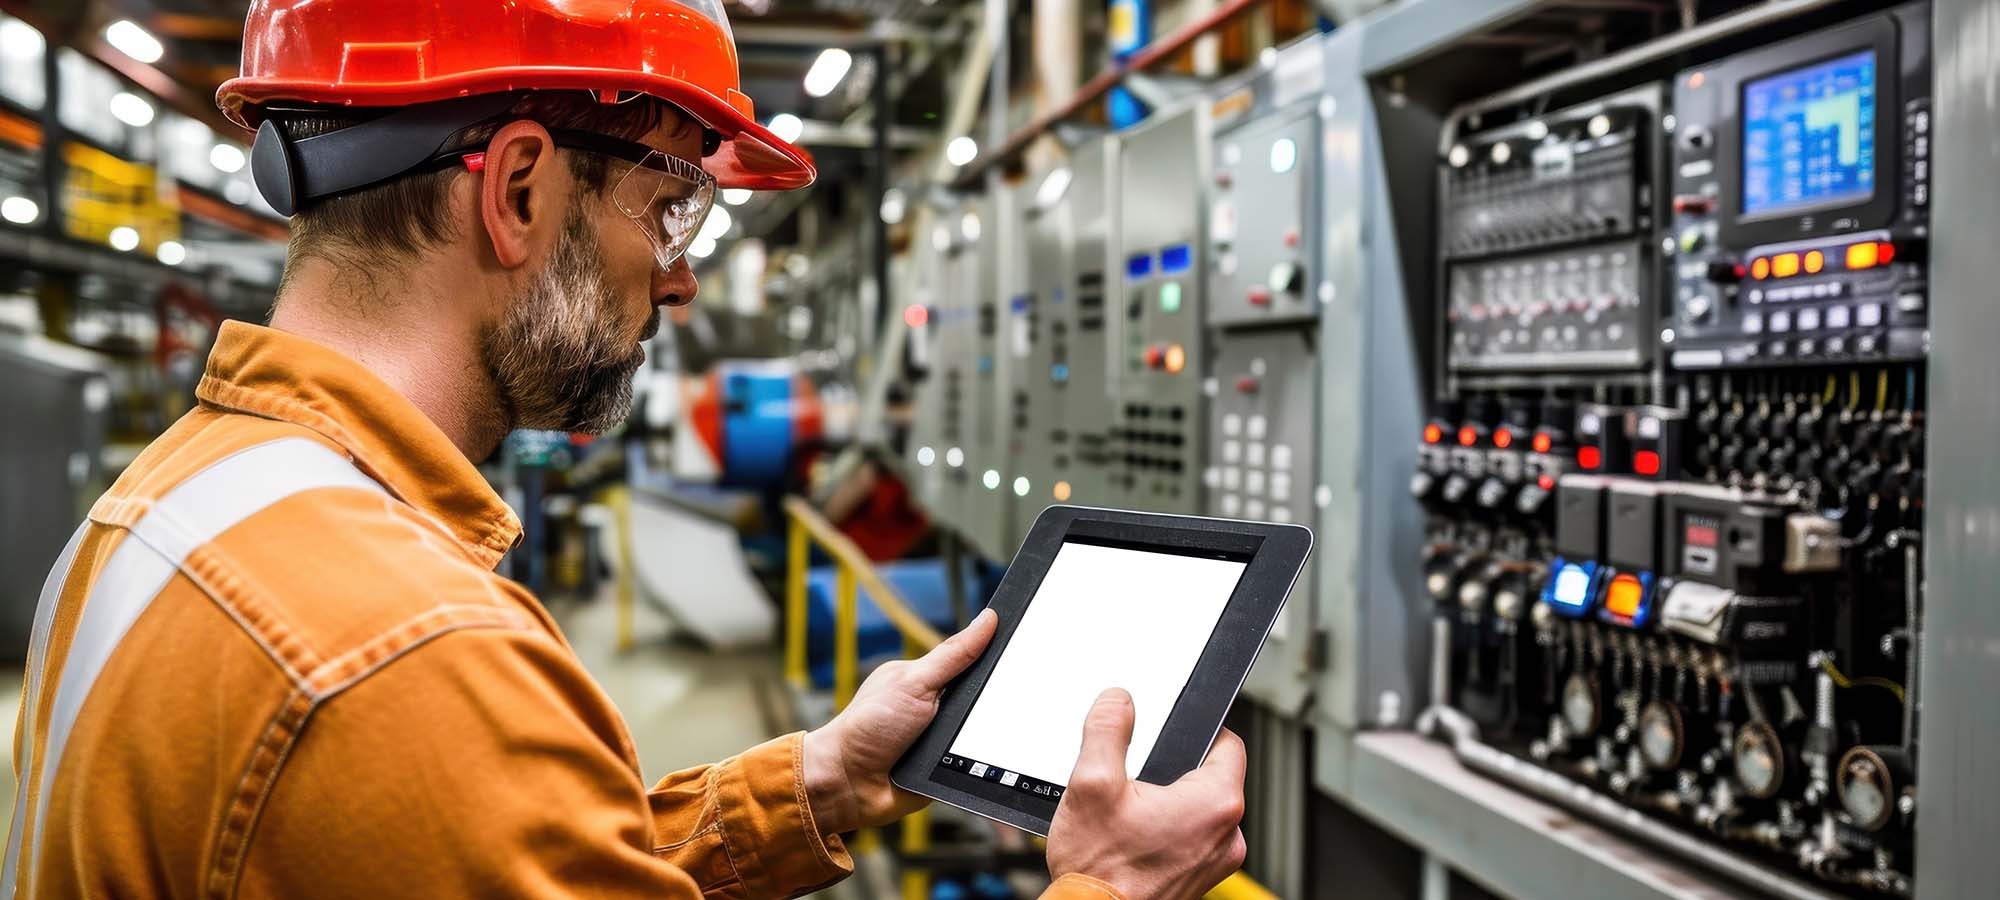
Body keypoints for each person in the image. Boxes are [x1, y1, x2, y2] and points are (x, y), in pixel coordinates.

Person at [7, 1, 1248, 897]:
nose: (683, 282)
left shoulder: (169, 499)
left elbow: (504, 856)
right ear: (517, 192)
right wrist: (1114, 890)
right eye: (664, 211)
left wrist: (815, 780)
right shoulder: (405, 655)